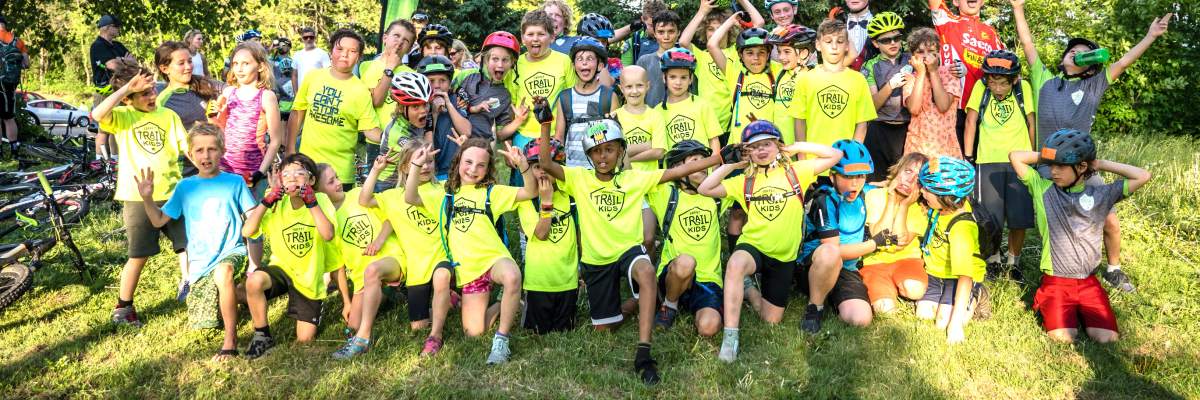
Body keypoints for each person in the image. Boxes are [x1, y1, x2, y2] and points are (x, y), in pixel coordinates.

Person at [536, 102, 725, 384]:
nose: (603, 157)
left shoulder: (635, 179)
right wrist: (545, 124)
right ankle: (637, 302)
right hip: (597, 260)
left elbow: (676, 173)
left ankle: (644, 354)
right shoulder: (578, 178)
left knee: (646, 270)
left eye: (609, 149)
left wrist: (720, 158)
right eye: (596, 151)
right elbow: (546, 164)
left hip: (629, 251)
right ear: (588, 155)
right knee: (606, 327)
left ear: (621, 151)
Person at [1011, 0, 1171, 291]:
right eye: (1072, 50)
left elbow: (1123, 62)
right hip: (1049, 167)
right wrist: (1018, 8)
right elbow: (1028, 44)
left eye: (1083, 53)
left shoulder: (1093, 85)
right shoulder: (1044, 80)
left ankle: (1113, 269)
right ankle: (1034, 265)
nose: (1075, 53)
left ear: (1090, 66)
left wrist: (1150, 36)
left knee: (1109, 220)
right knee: (1053, 222)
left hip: (1083, 168)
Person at [697, 120, 841, 362]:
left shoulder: (796, 172)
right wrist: (731, 164)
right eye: (754, 147)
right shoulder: (745, 180)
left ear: (778, 146)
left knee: (770, 319)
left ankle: (749, 290)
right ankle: (730, 338)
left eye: (767, 144)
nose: (761, 150)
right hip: (754, 245)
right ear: (748, 152)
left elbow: (835, 155)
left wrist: (797, 147)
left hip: (783, 256)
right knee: (735, 264)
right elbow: (704, 188)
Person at [1010, 129, 1152, 343]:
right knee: (1063, 338)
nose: (1053, 171)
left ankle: (1078, 312)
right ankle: (1059, 310)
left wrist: (1099, 163)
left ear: (1082, 167)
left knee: (1107, 339)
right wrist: (1050, 155)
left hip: (1088, 282)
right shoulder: (1043, 189)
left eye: (1060, 166)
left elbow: (1143, 176)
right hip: (1056, 282)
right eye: (1051, 165)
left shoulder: (1101, 195)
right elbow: (1015, 157)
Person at [403, 138, 534, 364]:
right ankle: (505, 304)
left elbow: (530, 192)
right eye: (468, 162)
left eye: (481, 165)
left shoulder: (492, 192)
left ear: (488, 168)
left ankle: (501, 341)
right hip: (469, 270)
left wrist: (523, 166)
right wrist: (416, 165)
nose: (473, 169)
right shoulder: (444, 194)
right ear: (458, 162)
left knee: (512, 276)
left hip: (494, 259)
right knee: (473, 332)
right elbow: (410, 197)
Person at [134, 123, 257, 360]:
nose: (206, 156)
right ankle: (253, 294)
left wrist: (255, 260)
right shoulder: (185, 187)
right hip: (200, 263)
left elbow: (253, 219)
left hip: (231, 251)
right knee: (209, 319)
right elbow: (158, 220)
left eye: (212, 149)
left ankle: (230, 342)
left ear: (222, 151)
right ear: (190, 154)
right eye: (199, 150)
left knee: (223, 273)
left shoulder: (235, 182)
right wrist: (147, 199)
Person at [90, 60, 189, 327]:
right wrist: (127, 89)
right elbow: (98, 114)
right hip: (137, 198)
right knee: (139, 255)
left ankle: (189, 286)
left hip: (173, 193)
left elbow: (187, 147)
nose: (152, 96)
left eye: (153, 89)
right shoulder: (123, 116)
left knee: (187, 245)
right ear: (129, 98)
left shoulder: (168, 116)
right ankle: (124, 307)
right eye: (144, 93)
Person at [239, 153, 337, 358]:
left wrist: (311, 202)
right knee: (254, 281)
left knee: (304, 340)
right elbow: (247, 231)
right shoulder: (276, 202)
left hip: (309, 277)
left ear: (311, 180)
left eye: (299, 173)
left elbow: (328, 234)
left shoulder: (320, 200)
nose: (292, 178)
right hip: (282, 267)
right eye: (286, 174)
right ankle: (262, 335)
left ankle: (308, 308)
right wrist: (266, 201)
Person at [360, 137, 449, 353]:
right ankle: (449, 301)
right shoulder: (393, 197)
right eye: (418, 162)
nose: (425, 166)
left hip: (442, 257)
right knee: (418, 326)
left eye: (429, 161)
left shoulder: (442, 189)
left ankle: (436, 335)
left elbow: (412, 196)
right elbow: (364, 200)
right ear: (404, 167)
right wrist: (376, 170)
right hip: (417, 267)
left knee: (441, 278)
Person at [310, 161, 404, 360]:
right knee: (352, 324)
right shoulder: (327, 221)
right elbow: (337, 266)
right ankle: (387, 294)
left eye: (336, 177)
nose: (338, 183)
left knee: (373, 271)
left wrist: (379, 241)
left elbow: (391, 217)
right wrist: (347, 302)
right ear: (318, 192)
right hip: (362, 277)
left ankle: (362, 339)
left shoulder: (358, 195)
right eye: (331, 182)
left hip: (390, 257)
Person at [963, 49, 1035, 280]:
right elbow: (971, 121)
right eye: (992, 82)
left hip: (1020, 162)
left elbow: (1031, 123)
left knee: (1018, 218)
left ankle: (1014, 262)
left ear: (1014, 79)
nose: (997, 88)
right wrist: (968, 158)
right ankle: (993, 258)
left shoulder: (1024, 88)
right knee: (989, 218)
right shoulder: (981, 87)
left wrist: (1033, 158)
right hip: (987, 159)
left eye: (1003, 83)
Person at [797, 140, 883, 330]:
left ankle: (833, 296)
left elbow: (889, 189)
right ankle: (815, 307)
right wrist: (874, 244)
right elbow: (835, 250)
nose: (855, 183)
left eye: (860, 176)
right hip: (817, 265)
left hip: (847, 269)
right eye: (847, 176)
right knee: (830, 252)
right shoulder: (824, 200)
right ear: (832, 176)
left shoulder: (865, 193)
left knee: (860, 319)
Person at [648, 140, 731, 336]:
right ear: (678, 167)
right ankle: (669, 305)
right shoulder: (665, 193)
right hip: (675, 273)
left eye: (704, 160)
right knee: (686, 262)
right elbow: (630, 177)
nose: (703, 165)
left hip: (708, 279)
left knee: (709, 327)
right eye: (695, 161)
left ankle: (691, 306)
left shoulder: (716, 194)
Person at [287, 28, 383, 189]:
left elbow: (370, 129)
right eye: (340, 49)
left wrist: (394, 138)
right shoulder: (313, 77)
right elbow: (297, 113)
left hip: (340, 175)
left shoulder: (361, 90)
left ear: (359, 57)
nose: (345, 54)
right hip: (307, 167)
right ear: (331, 51)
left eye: (352, 51)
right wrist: (290, 150)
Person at [914, 156, 988, 344]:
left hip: (959, 278)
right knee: (923, 315)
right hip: (935, 274)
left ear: (946, 196)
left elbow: (965, 277)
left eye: (927, 189)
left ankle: (978, 294)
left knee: (943, 323)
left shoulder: (961, 228)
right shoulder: (939, 206)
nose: (922, 191)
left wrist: (955, 325)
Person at [516, 139, 579, 334]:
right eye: (536, 167)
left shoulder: (570, 195)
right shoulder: (527, 201)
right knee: (537, 332)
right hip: (538, 283)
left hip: (568, 281)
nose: (542, 172)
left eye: (547, 166)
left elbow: (579, 232)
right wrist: (547, 202)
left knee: (564, 331)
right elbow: (541, 234)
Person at [928, 0, 1003, 155]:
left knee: (981, 161)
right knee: (954, 163)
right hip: (954, 109)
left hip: (984, 109)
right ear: (955, 2)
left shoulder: (991, 32)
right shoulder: (946, 21)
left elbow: (1003, 69)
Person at [791, 20, 876, 148]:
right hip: (813, 156)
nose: (834, 46)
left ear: (847, 45)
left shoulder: (858, 80)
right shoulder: (805, 79)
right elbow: (799, 122)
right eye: (828, 41)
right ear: (818, 45)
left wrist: (853, 154)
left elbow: (862, 124)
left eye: (840, 41)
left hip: (845, 156)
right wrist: (802, 155)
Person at [861, 152, 928, 314]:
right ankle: (888, 289)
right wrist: (891, 201)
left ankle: (898, 285)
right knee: (885, 310)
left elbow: (898, 242)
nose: (910, 180)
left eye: (918, 178)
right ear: (898, 170)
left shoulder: (920, 207)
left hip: (907, 260)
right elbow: (879, 236)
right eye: (908, 171)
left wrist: (904, 206)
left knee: (915, 291)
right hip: (875, 263)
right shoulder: (875, 195)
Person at [213, 41, 283, 189]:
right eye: (235, 63)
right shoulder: (228, 92)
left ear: (260, 66)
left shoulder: (266, 96)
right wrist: (214, 115)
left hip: (251, 172)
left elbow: (276, 141)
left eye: (245, 63)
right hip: (224, 169)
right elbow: (218, 129)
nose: (239, 69)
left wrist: (260, 172)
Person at [507, 10, 575, 160]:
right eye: (530, 34)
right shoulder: (514, 65)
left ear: (552, 37)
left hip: (554, 135)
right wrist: (509, 142)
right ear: (522, 38)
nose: (535, 39)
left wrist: (559, 136)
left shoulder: (564, 61)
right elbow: (510, 106)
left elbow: (569, 101)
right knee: (524, 176)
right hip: (523, 136)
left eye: (541, 34)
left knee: (552, 175)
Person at [861, 12, 913, 182]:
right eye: (886, 40)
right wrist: (890, 85)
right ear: (875, 43)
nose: (893, 43)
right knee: (875, 183)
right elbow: (872, 106)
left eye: (896, 38)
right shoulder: (869, 66)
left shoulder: (912, 59)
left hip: (908, 129)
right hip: (879, 130)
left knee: (904, 184)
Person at [709, 21, 780, 140]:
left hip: (768, 142)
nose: (756, 58)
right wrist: (731, 20)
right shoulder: (735, 73)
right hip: (739, 144)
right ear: (741, 55)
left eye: (761, 53)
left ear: (768, 55)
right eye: (750, 53)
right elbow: (712, 45)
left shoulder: (777, 71)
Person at [363, 19, 417, 168]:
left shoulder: (412, 74)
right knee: (376, 180)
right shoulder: (366, 67)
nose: (399, 42)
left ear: (409, 48)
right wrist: (390, 67)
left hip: (403, 141)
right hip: (375, 140)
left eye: (406, 40)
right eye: (396, 36)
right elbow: (376, 101)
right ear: (385, 38)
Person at [557, 37, 619, 167]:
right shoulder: (565, 97)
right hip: (572, 169)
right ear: (573, 66)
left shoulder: (609, 96)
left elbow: (616, 138)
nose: (584, 63)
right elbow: (559, 138)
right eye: (580, 59)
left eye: (590, 59)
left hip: (601, 169)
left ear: (600, 65)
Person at [903, 28, 962, 160]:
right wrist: (921, 73)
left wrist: (933, 71)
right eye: (920, 52)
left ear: (939, 53)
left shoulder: (950, 73)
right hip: (916, 147)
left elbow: (943, 106)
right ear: (912, 56)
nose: (925, 56)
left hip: (946, 147)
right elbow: (914, 108)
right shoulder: (910, 78)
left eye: (931, 51)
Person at [457, 31, 525, 144]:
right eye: (495, 59)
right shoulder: (466, 76)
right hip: (456, 141)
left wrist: (518, 120)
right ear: (486, 60)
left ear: (512, 63)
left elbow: (501, 134)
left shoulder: (505, 94)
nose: (500, 65)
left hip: (481, 146)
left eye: (505, 60)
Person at [416, 55, 474, 179]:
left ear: (449, 83)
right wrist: (434, 114)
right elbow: (426, 145)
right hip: (429, 169)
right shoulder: (419, 105)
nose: (437, 86)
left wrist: (448, 103)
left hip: (453, 168)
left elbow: (467, 132)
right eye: (431, 81)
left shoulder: (455, 99)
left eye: (442, 80)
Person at [656, 47, 722, 152]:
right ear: (664, 78)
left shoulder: (703, 105)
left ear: (691, 79)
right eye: (672, 77)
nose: (678, 82)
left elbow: (714, 140)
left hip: (704, 162)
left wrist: (713, 163)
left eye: (683, 77)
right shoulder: (657, 111)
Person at [90, 15, 133, 157]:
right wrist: (124, 61)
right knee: (103, 130)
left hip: (120, 90)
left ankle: (115, 160)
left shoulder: (118, 45)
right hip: (105, 93)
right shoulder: (97, 46)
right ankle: (99, 160)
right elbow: (113, 65)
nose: (119, 29)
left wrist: (121, 61)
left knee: (117, 127)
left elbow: (134, 62)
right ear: (107, 28)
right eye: (116, 26)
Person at [153, 41, 219, 130]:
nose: (188, 67)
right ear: (165, 69)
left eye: (190, 61)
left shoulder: (204, 86)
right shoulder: (161, 101)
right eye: (181, 63)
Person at [767, 24, 816, 144]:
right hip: (779, 143)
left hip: (802, 144)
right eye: (779, 52)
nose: (781, 57)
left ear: (803, 53)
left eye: (787, 52)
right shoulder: (779, 72)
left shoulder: (813, 75)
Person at [615, 66, 665, 171]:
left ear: (647, 86)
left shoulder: (656, 116)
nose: (634, 91)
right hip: (623, 178)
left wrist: (627, 158)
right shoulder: (615, 117)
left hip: (649, 178)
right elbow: (615, 152)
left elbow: (659, 152)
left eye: (639, 85)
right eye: (629, 87)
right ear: (621, 89)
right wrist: (648, 145)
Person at [635, 10, 682, 107]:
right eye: (661, 32)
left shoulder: (686, 60)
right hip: (651, 114)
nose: (666, 37)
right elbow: (636, 93)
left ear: (678, 33)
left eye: (671, 31)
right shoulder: (644, 61)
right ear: (655, 33)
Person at [0, 16, 28, 155]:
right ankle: (14, 149)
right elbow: (26, 64)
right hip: (10, 83)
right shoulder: (18, 41)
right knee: (9, 118)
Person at [268, 37, 297, 119]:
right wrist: (271, 48)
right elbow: (261, 58)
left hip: (288, 96)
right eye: (279, 45)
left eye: (283, 45)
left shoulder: (293, 61)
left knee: (287, 119)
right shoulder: (272, 60)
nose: (281, 47)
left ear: (289, 47)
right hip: (274, 94)